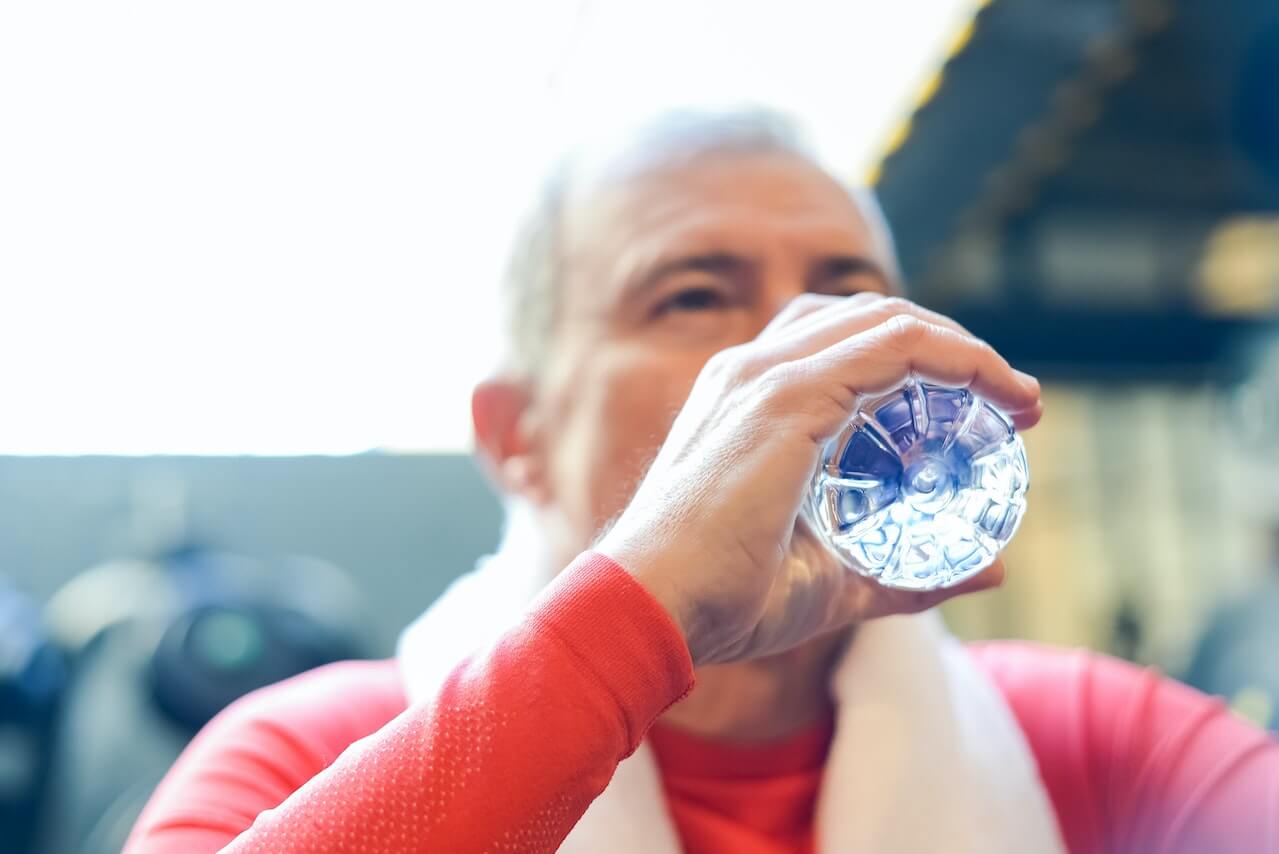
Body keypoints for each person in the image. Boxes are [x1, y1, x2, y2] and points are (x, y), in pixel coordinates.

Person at [124, 110, 1278, 854]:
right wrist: (638, 611)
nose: (803, 343)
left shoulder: (1087, 740)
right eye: (691, 295)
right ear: (517, 431)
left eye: (848, 292)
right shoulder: (305, 753)